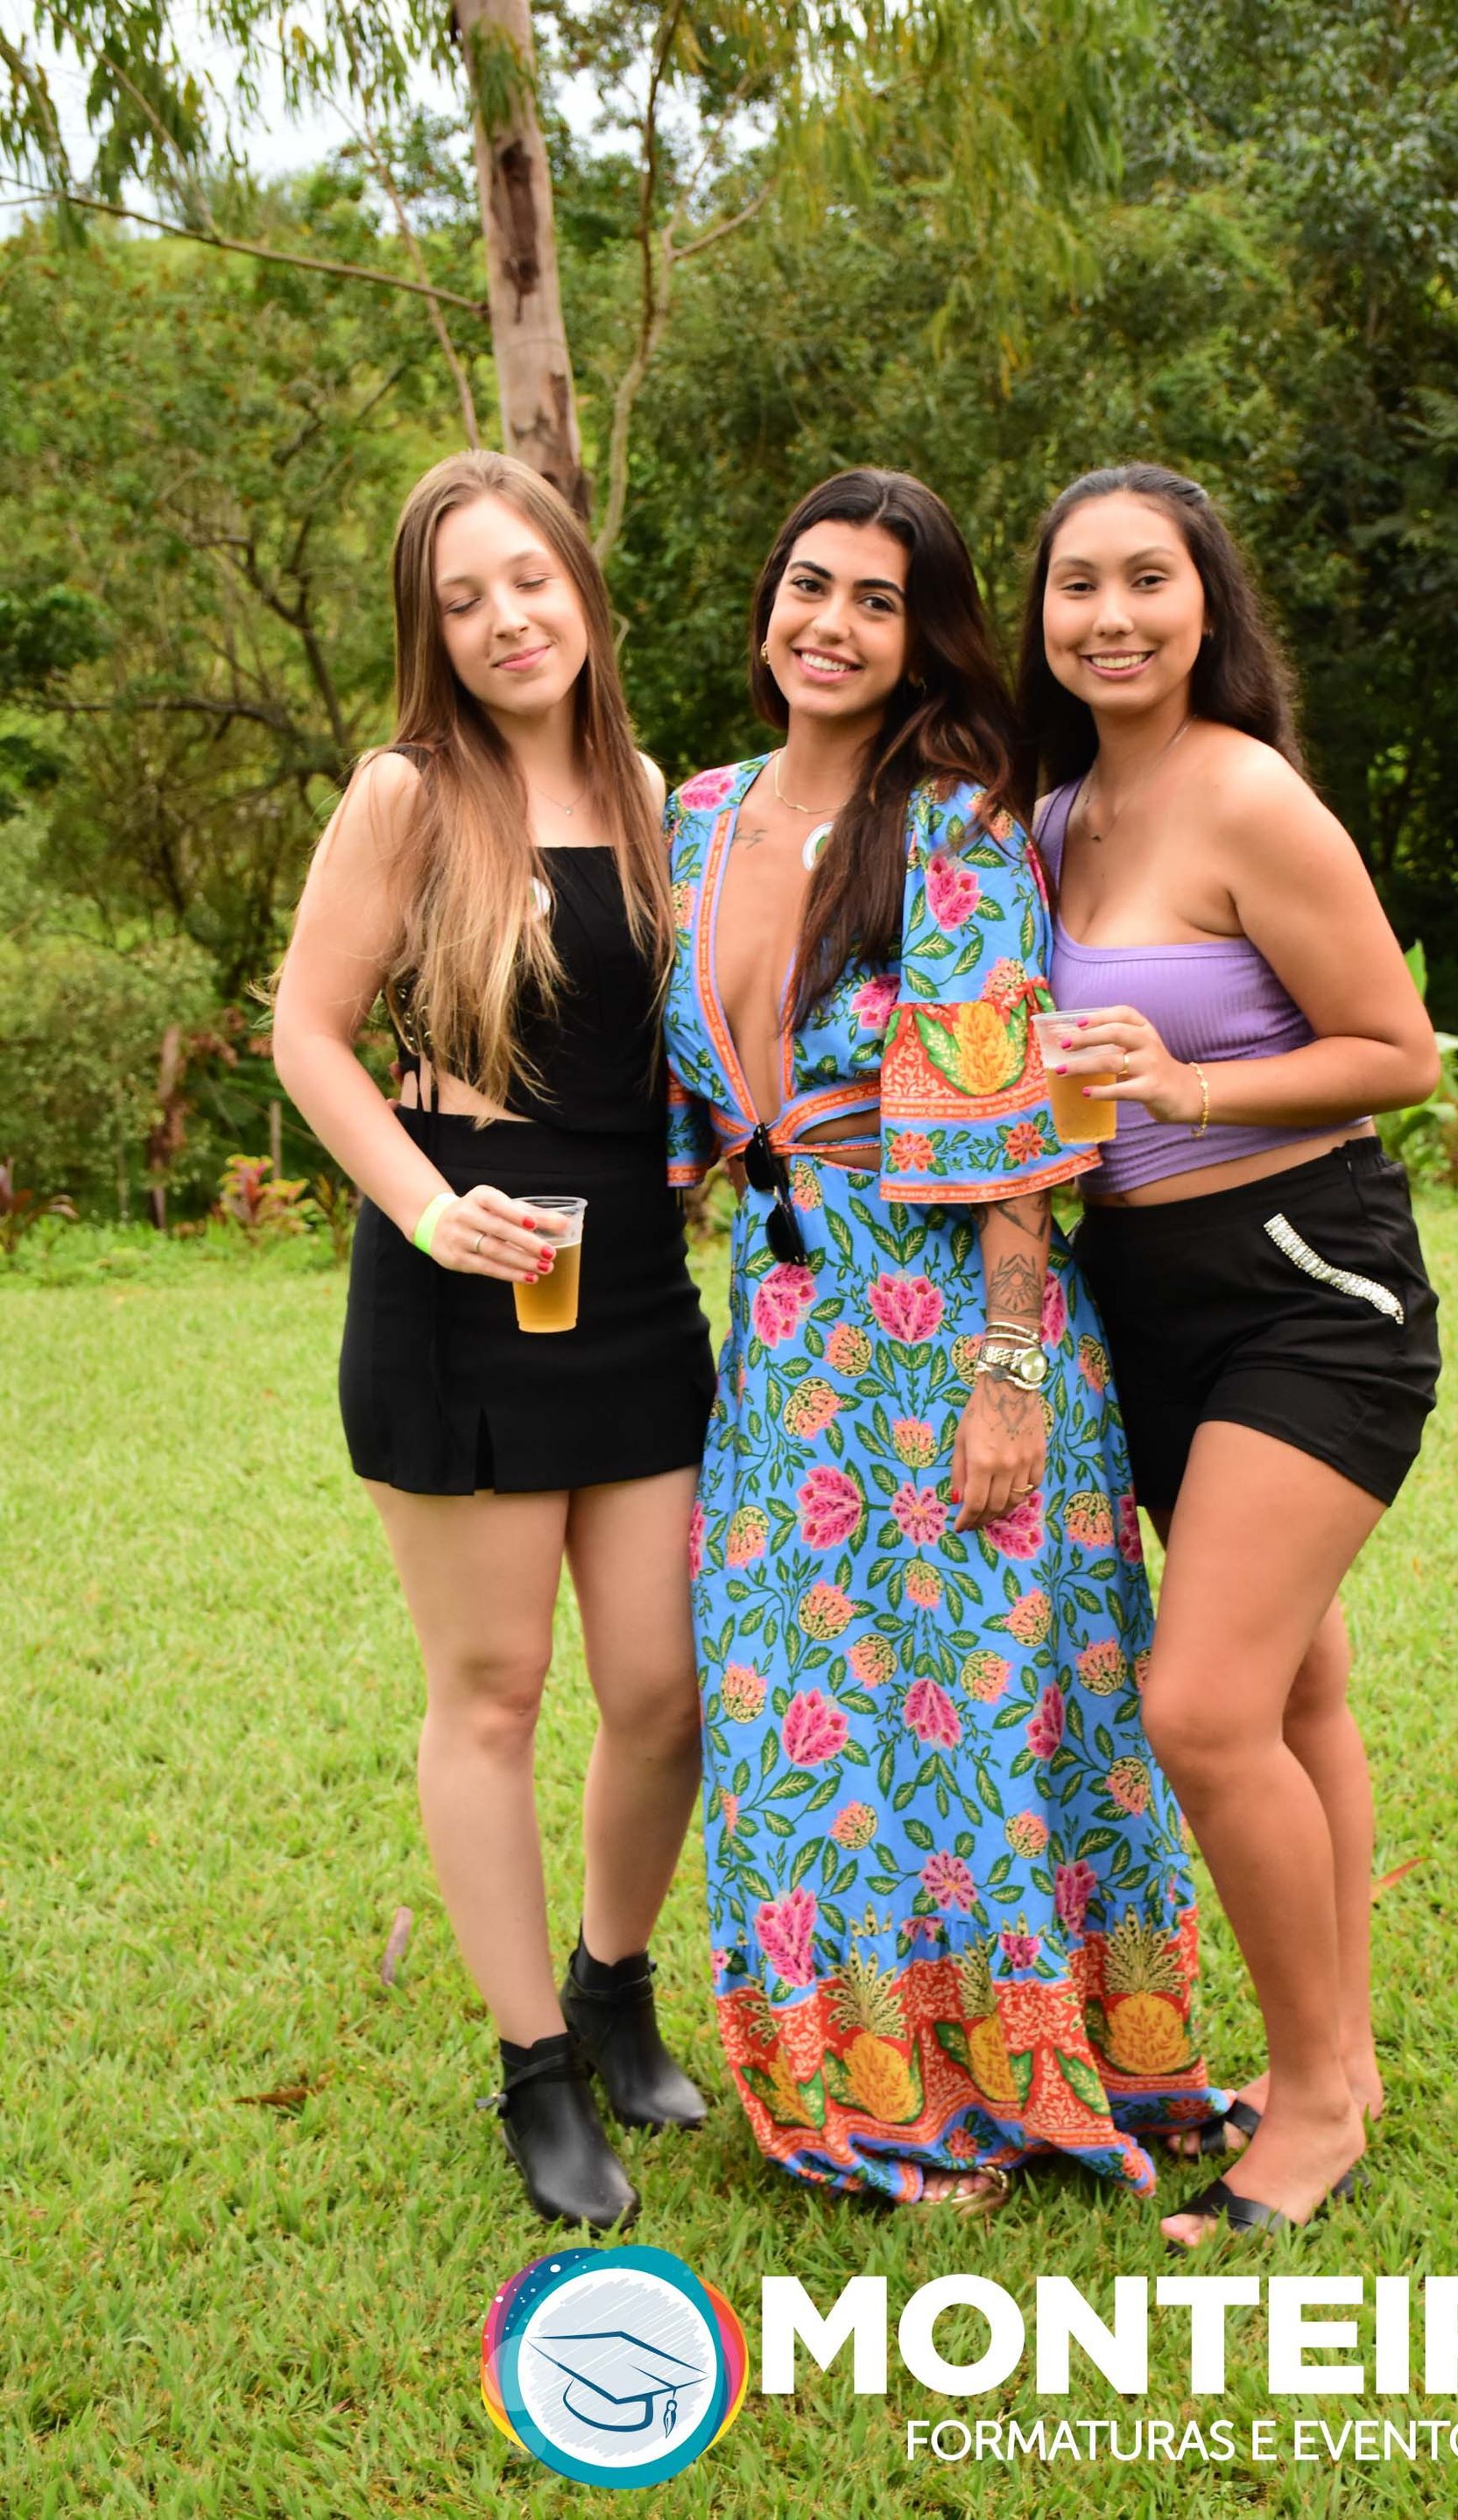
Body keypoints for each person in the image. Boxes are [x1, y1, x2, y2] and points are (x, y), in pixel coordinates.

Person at [664, 467, 1226, 2211]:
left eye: (876, 601)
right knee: (796, 1721)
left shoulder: (959, 822)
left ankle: (1027, 2072)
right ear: (768, 603)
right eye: (808, 584)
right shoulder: (696, 815)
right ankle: (855, 2082)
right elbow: (662, 1100)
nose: (830, 624)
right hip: (782, 1338)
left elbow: (1016, 1139)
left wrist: (1008, 1378)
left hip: (947, 1334)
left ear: (923, 643)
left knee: (985, 1715)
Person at [271, 450, 716, 2232]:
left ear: (581, 586)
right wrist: (425, 1203)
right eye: (462, 600)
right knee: (494, 1689)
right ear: (431, 633)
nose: (505, 619)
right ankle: (536, 2066)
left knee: (665, 1690)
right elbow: (306, 1032)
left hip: (635, 1284)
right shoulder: (408, 793)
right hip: (463, 1282)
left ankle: (613, 1983)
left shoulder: (652, 790)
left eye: (527, 578)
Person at [1014, 462, 1442, 2246]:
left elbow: (1399, 1050)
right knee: (1294, 1690)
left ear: (1208, 606)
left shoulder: (1249, 793)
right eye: (1078, 585)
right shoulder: (1055, 817)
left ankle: (1318, 2100)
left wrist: (1188, 1084)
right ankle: (1337, 2054)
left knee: (1200, 1708)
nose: (1111, 615)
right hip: (1142, 1299)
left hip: (1301, 1284)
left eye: (1149, 580)